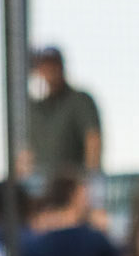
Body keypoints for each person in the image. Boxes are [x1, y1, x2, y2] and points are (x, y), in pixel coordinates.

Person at [24, 46, 101, 177]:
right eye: (44, 66)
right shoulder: (35, 108)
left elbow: (93, 139)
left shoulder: (79, 100)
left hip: (71, 185)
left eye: (53, 65)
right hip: (41, 188)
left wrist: (89, 180)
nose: (49, 72)